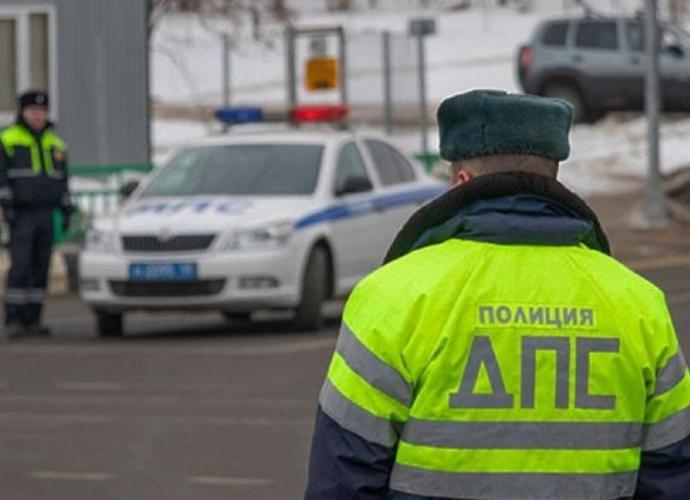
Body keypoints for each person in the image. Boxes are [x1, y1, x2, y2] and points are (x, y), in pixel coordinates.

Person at [305, 90, 690, 500]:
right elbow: (671, 475)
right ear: (552, 179)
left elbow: (344, 475)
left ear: (462, 181)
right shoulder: (638, 304)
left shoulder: (392, 296)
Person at [0, 91, 71, 338]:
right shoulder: (8, 139)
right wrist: (6, 202)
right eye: (32, 111)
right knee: (21, 265)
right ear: (23, 112)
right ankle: (14, 319)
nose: (37, 115)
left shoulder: (56, 144)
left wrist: (66, 207)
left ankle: (33, 319)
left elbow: (62, 180)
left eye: (41, 111)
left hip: (46, 213)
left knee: (41, 267)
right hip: (21, 213)